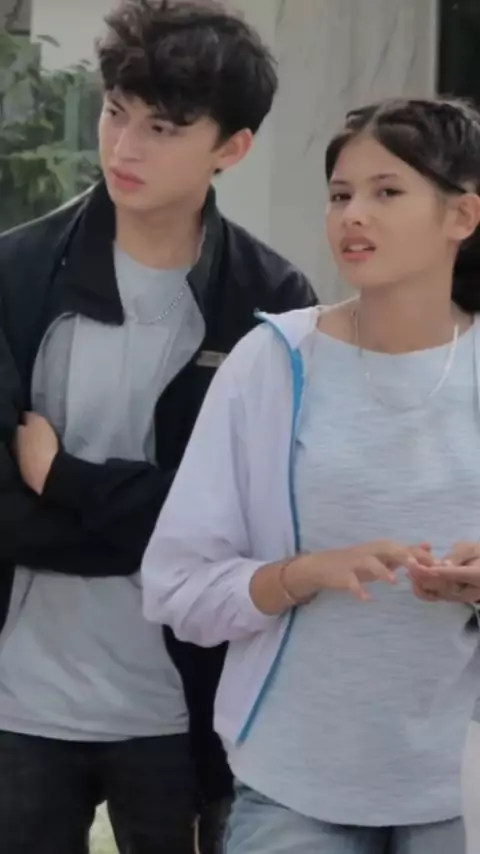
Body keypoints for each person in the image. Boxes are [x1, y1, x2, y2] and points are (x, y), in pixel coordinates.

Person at [0, 1, 317, 852]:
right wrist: (167, 533)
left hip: (186, 708)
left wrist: (63, 479)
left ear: (231, 148)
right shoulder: (15, 274)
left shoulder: (271, 303)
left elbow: (256, 522)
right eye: (115, 112)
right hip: (18, 702)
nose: (124, 147)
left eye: (163, 128)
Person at [141, 96, 480, 854]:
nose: (353, 215)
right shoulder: (272, 362)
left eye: (386, 192)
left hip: (459, 788)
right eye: (339, 194)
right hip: (293, 787)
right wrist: (304, 573)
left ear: (462, 216)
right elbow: (177, 587)